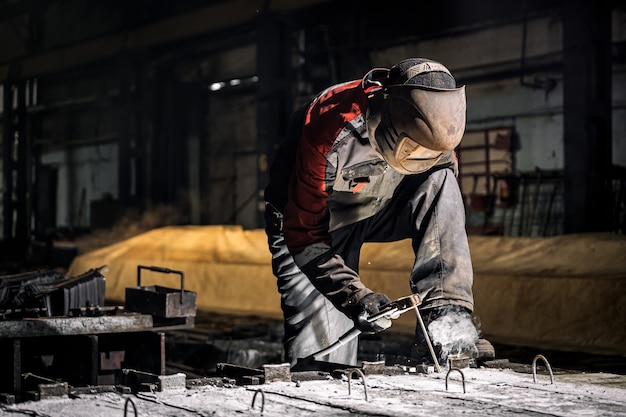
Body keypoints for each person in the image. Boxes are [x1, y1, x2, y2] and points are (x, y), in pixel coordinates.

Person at [264, 57, 482, 369]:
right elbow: (304, 232)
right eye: (413, 150)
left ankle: (446, 317)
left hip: (376, 206)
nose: (422, 158)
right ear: (388, 121)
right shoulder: (330, 129)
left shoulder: (437, 130)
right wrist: (354, 297)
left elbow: (441, 211)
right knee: (324, 359)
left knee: (441, 180)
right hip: (311, 226)